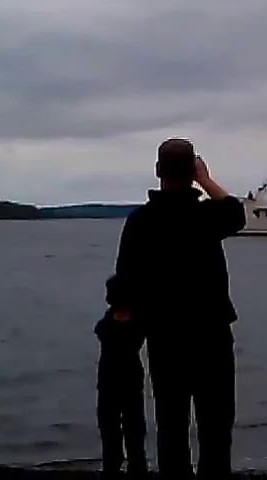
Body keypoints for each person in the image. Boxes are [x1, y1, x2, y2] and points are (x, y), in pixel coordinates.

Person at [114, 138, 247, 478]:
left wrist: (125, 319)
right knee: (216, 427)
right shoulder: (205, 217)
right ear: (192, 171)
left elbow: (124, 282)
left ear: (158, 171)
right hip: (211, 334)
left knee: (171, 425)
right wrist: (205, 179)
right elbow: (235, 212)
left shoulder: (140, 221)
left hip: (164, 336)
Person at [95, 274, 147, 478]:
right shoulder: (135, 321)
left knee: (115, 424)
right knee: (127, 423)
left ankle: (122, 461)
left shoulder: (112, 323)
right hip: (127, 376)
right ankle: (131, 461)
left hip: (114, 376)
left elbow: (101, 331)